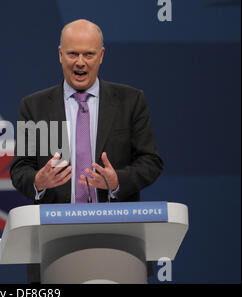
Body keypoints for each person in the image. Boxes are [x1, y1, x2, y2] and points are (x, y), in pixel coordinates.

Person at [9, 19, 164, 283]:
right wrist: (38, 181)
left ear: (101, 56)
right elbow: (20, 168)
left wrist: (117, 182)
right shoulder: (35, 107)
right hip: (52, 247)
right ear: (60, 55)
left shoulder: (130, 101)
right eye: (72, 54)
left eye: (88, 54)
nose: (80, 62)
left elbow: (151, 162)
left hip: (118, 246)